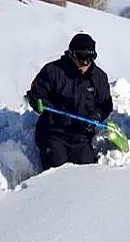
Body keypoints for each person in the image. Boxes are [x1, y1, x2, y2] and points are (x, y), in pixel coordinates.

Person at [26, 33, 113, 170]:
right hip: (53, 133)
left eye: (90, 58)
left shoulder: (99, 78)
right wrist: (53, 114)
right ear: (71, 54)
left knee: (86, 169)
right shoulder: (53, 72)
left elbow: (105, 105)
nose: (85, 63)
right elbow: (36, 95)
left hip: (81, 136)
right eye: (81, 58)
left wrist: (96, 116)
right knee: (57, 166)